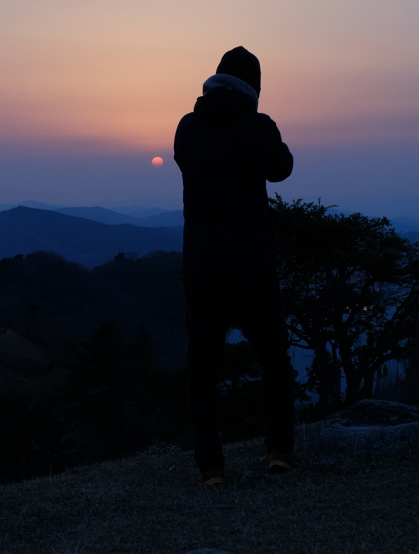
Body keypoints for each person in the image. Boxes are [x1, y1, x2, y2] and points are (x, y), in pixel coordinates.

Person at [174, 46, 298, 485]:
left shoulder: (187, 128)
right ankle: (280, 450)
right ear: (254, 89)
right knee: (273, 356)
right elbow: (282, 169)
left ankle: (210, 467)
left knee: (204, 368)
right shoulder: (258, 127)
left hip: (203, 266)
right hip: (252, 262)